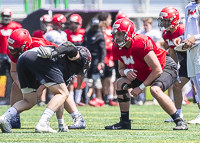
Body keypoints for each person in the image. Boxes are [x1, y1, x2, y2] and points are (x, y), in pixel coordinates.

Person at [105, 18, 188, 130]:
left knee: (155, 89)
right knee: (120, 83)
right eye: (116, 34)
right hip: (144, 71)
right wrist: (126, 71)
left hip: (164, 66)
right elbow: (121, 69)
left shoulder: (140, 42)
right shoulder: (117, 47)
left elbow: (157, 69)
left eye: (120, 34)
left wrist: (140, 87)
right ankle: (124, 122)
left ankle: (180, 121)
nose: (117, 37)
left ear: (129, 33)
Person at [0, 34, 91, 133]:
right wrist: (54, 53)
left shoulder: (66, 70)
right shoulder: (79, 58)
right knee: (63, 93)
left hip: (23, 59)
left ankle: (5, 117)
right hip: (37, 57)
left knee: (29, 100)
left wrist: (61, 123)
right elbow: (69, 45)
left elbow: (59, 99)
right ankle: (43, 122)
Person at [158, 6, 196, 122]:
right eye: (163, 20)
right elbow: (172, 51)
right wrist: (175, 68)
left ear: (174, 20)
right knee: (177, 86)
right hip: (185, 63)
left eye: (166, 20)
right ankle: (178, 114)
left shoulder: (184, 30)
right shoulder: (165, 34)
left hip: (194, 60)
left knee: (196, 87)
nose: (164, 22)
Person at [174, 0, 200, 124]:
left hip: (199, 45)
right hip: (190, 47)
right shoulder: (189, 6)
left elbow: (194, 35)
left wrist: (195, 37)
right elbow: (189, 31)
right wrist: (181, 38)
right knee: (195, 81)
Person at [0, 8, 22, 100]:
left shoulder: (16, 26)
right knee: (2, 76)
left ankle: (17, 95)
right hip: (1, 54)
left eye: (7, 16)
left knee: (15, 74)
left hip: (13, 54)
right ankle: (1, 97)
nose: (6, 18)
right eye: (4, 16)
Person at [84, 18, 106, 107]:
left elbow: (103, 49)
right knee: (89, 80)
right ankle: (90, 98)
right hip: (88, 60)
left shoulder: (100, 34)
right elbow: (84, 45)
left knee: (96, 80)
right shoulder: (88, 33)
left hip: (96, 61)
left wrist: (101, 61)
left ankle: (99, 99)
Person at [98, 12, 118, 106]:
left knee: (110, 80)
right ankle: (102, 97)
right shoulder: (99, 30)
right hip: (101, 60)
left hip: (110, 60)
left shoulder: (111, 30)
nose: (111, 21)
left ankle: (110, 97)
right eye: (110, 18)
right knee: (101, 80)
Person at [64, 14, 86, 105]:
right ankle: (71, 100)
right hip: (70, 58)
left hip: (81, 58)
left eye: (75, 23)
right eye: (72, 23)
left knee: (81, 78)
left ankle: (77, 99)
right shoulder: (66, 33)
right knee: (71, 79)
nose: (73, 25)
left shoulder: (83, 32)